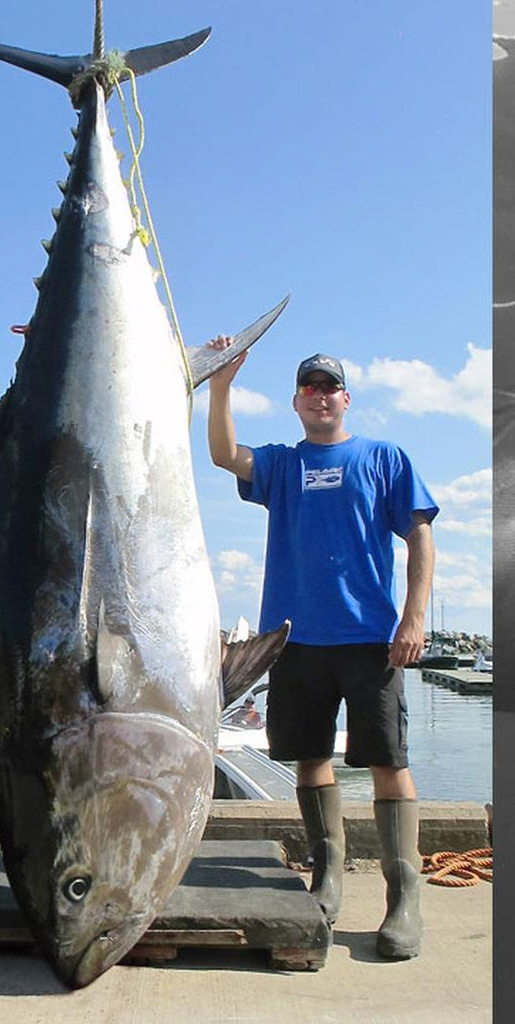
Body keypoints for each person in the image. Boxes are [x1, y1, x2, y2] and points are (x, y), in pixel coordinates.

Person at [207, 346, 437, 960]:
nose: (319, 394)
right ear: (296, 401)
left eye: (329, 386)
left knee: (388, 760)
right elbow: (224, 454)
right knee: (309, 759)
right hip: (296, 640)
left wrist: (414, 616)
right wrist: (222, 386)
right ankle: (327, 873)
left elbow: (419, 535)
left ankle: (403, 896)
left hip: (370, 639)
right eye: (308, 386)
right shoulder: (283, 465)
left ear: (345, 397)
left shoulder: (384, 457)